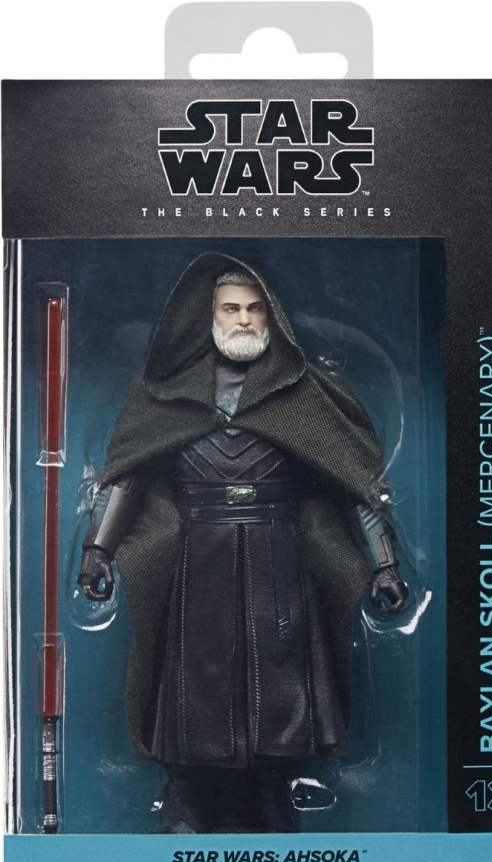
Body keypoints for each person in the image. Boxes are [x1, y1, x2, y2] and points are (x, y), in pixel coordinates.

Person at [78, 252, 407, 832]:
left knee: (280, 691)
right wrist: (97, 551)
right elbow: (128, 476)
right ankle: (188, 801)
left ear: (271, 316)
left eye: (255, 309)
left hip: (278, 562)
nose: (244, 320)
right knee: (194, 692)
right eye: (230, 308)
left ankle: (272, 801)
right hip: (198, 563)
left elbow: (354, 484)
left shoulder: (305, 397)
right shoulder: (168, 395)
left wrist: (383, 565)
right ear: (207, 315)